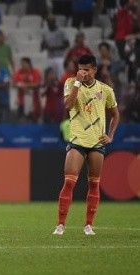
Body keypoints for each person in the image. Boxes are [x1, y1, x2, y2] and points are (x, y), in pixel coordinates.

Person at [53, 54, 120, 236]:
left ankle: (88, 225)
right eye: (81, 69)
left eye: (87, 70)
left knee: (94, 185)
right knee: (69, 182)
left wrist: (111, 134)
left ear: (95, 70)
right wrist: (77, 83)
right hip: (77, 140)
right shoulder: (70, 82)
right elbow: (68, 105)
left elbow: (115, 115)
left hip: (97, 142)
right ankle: (60, 225)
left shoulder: (105, 90)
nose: (83, 73)